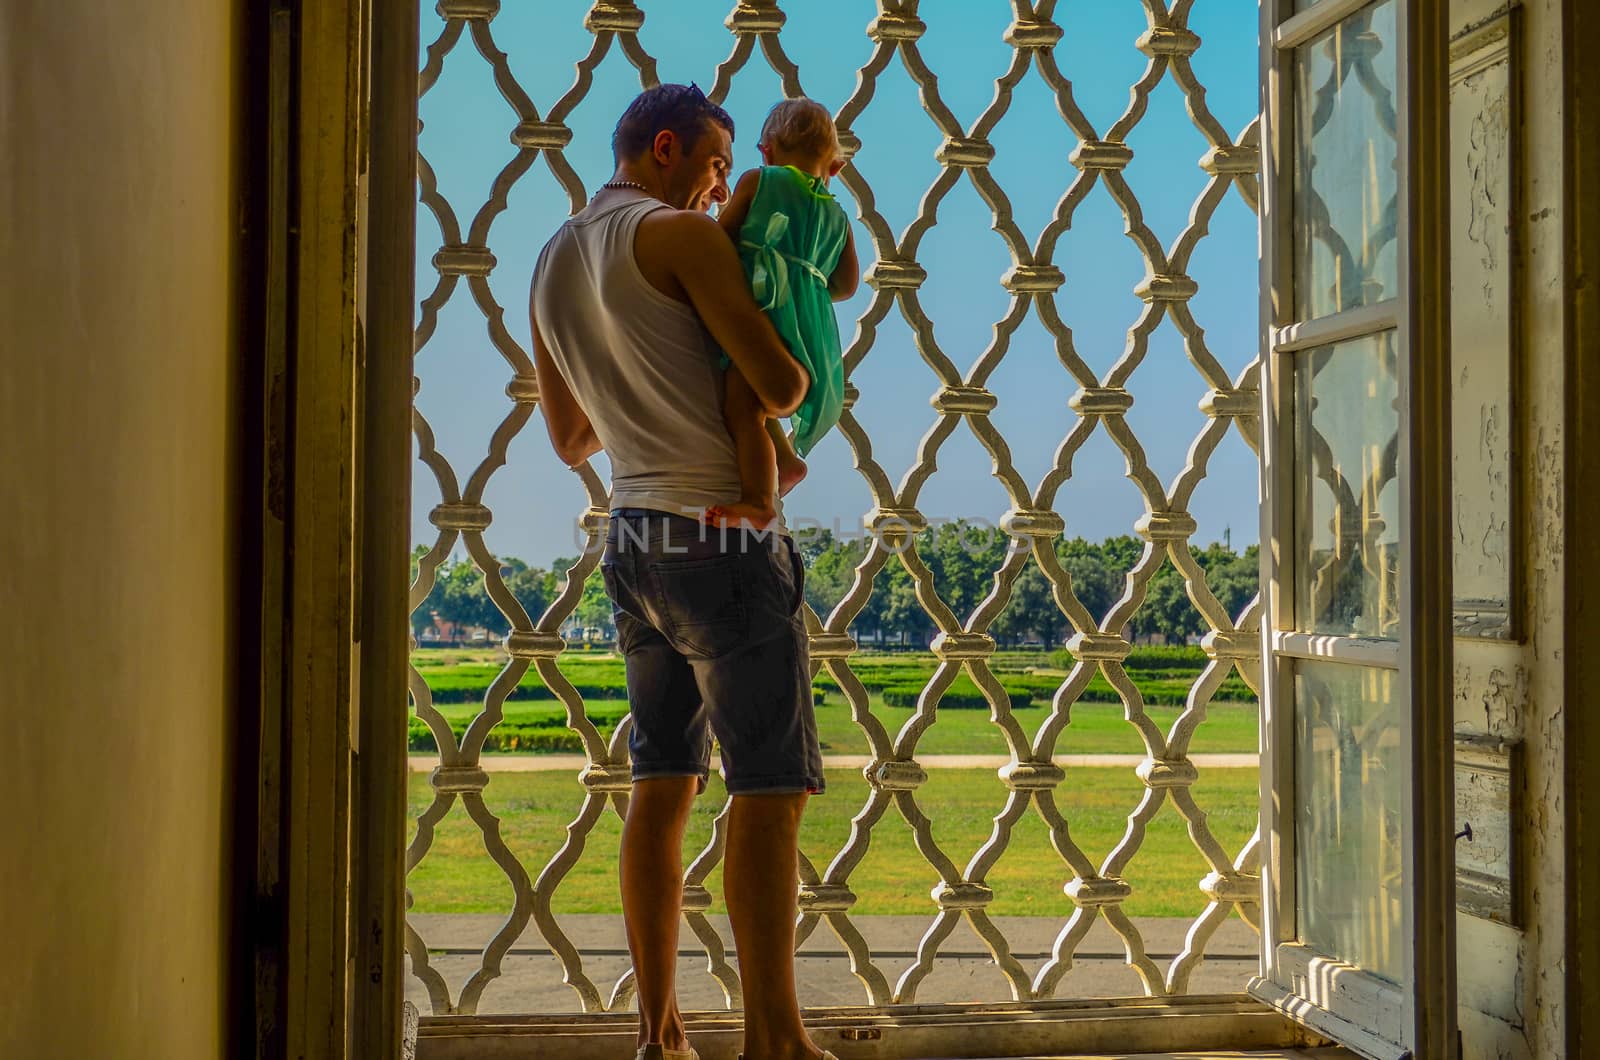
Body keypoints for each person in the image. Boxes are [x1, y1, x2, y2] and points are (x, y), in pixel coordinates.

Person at [527, 83, 836, 1060]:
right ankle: (775, 1041)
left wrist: (639, 391)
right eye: (710, 168)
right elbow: (783, 382)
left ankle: (660, 1033)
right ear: (665, 149)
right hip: (722, 538)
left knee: (660, 782)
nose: (714, 192)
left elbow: (570, 435)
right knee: (768, 786)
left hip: (632, 538)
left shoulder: (550, 260)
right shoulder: (680, 240)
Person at [706, 99, 859, 531]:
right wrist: (805, 282)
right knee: (756, 400)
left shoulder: (760, 180)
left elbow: (717, 241)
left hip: (761, 311)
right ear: (834, 166)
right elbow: (846, 286)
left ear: (767, 149)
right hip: (809, 327)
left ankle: (759, 498)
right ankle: (788, 461)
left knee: (742, 403)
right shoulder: (837, 212)